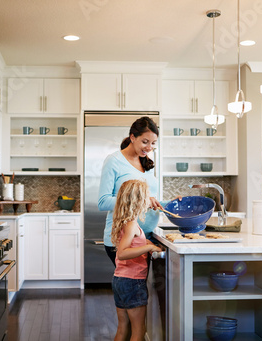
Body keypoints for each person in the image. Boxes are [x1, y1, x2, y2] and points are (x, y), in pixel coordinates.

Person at [98, 116, 165, 265]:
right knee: (131, 285)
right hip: (124, 240)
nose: (149, 148)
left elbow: (149, 200)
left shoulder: (146, 163)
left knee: (142, 286)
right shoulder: (114, 161)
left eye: (153, 143)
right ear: (132, 137)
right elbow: (103, 202)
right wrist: (142, 201)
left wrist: (170, 204)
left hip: (146, 236)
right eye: (145, 142)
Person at [111, 179, 162, 341]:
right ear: (138, 200)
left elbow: (132, 243)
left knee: (122, 328)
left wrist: (147, 243)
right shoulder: (132, 224)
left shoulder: (127, 223)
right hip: (133, 282)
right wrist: (149, 248)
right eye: (147, 196)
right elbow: (122, 253)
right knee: (139, 330)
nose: (150, 200)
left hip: (120, 280)